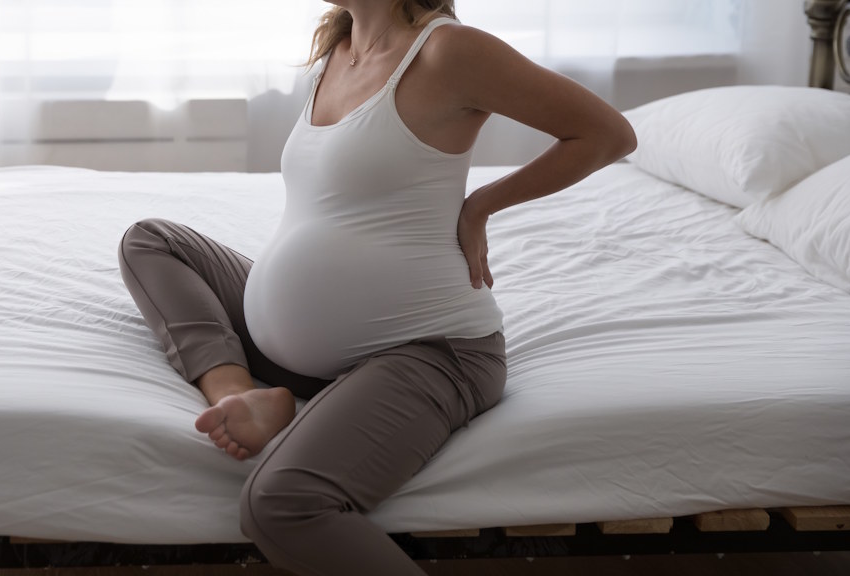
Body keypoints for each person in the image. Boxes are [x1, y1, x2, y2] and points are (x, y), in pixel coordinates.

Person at [117, 0, 636, 573]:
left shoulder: (448, 51)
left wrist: (483, 204)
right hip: (306, 352)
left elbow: (606, 134)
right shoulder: (338, 49)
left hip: (429, 349)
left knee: (280, 505)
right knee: (150, 241)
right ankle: (242, 393)